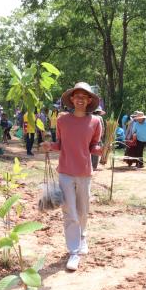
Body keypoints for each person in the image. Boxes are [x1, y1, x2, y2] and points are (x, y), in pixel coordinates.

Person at [41, 82, 102, 271]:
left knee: (83, 210)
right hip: (66, 172)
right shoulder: (62, 120)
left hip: (85, 172)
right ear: (72, 99)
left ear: (89, 100)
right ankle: (73, 252)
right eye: (77, 96)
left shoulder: (96, 122)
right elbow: (60, 144)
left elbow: (93, 146)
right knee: (69, 212)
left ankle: (82, 236)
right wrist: (49, 146)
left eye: (84, 96)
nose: (80, 99)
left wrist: (102, 151)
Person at [91, 106, 105, 170]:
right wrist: (101, 135)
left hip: (89, 136)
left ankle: (90, 165)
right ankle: (94, 166)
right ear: (99, 112)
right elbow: (102, 128)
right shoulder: (100, 118)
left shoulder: (89, 116)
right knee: (95, 150)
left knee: (89, 150)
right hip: (97, 136)